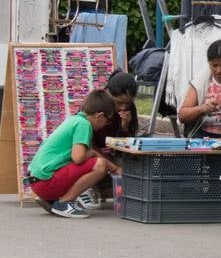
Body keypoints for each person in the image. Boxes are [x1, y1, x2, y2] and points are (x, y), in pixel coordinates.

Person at [28, 89, 120, 219]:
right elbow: (78, 158)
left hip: (37, 182)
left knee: (98, 161)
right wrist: (94, 153)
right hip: (45, 184)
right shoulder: (84, 125)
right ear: (100, 116)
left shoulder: (75, 120)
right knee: (100, 165)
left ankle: (53, 200)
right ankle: (64, 202)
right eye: (107, 120)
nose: (106, 124)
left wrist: (115, 169)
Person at [76, 71, 140, 210]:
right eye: (119, 102)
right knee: (92, 162)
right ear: (108, 93)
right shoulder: (94, 106)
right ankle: (85, 188)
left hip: (112, 153)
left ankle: (116, 190)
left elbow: (129, 143)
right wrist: (109, 164)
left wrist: (125, 128)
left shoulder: (129, 110)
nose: (123, 107)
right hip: (93, 153)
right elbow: (86, 145)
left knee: (132, 163)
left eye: (127, 103)